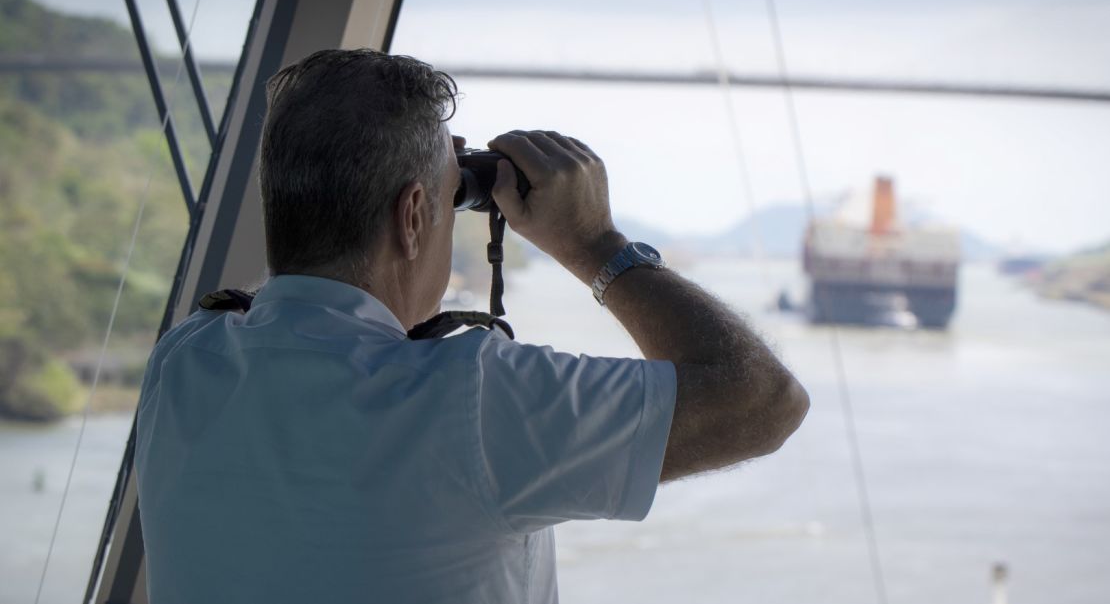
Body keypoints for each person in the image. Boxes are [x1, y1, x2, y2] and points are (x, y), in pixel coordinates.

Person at [134, 48, 809, 604]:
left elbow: (302, 306)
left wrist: (429, 179)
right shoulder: (472, 401)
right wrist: (594, 242)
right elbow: (765, 401)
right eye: (451, 200)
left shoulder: (183, 364)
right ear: (412, 218)